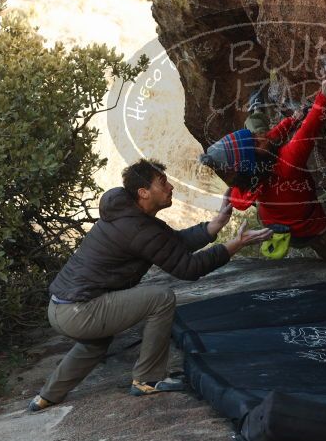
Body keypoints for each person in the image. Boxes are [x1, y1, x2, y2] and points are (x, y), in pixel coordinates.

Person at [28, 159, 271, 411]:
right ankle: (148, 378)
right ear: (143, 193)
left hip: (60, 308)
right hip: (79, 312)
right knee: (160, 298)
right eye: (163, 183)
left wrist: (215, 224)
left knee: (96, 341)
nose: (170, 187)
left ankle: (47, 396)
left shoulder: (129, 215)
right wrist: (234, 245)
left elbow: (171, 244)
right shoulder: (137, 227)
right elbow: (188, 268)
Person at [199, 69, 326, 255]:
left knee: (257, 129)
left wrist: (293, 119)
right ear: (255, 162)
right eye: (254, 141)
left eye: (252, 138)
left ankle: (256, 110)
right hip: (308, 228)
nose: (259, 137)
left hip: (271, 220)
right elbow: (309, 130)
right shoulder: (287, 164)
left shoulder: (247, 177)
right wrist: (324, 96)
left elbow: (267, 140)